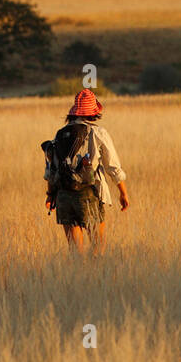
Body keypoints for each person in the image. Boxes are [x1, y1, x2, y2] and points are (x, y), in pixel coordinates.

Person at [43, 88, 130, 253]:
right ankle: (95, 278)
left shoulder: (60, 134)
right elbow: (113, 166)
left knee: (75, 251)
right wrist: (123, 193)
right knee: (98, 247)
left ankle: (78, 277)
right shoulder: (98, 132)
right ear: (93, 113)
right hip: (88, 193)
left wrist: (50, 195)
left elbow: (51, 168)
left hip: (63, 195)